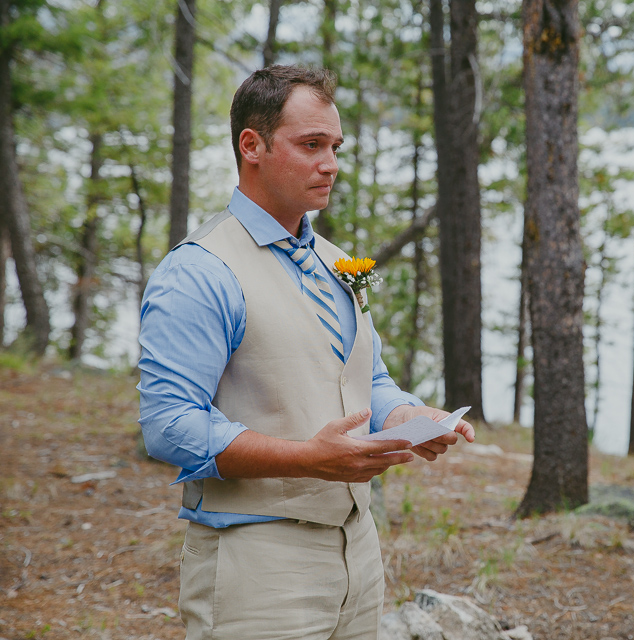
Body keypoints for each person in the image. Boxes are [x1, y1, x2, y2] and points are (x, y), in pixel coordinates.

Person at [138, 65, 475, 640]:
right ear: (253, 146)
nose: (331, 164)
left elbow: (368, 381)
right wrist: (303, 458)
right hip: (256, 563)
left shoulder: (338, 264)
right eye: (311, 145)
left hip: (357, 554)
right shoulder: (200, 271)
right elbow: (168, 426)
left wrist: (406, 417)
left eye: (335, 146)